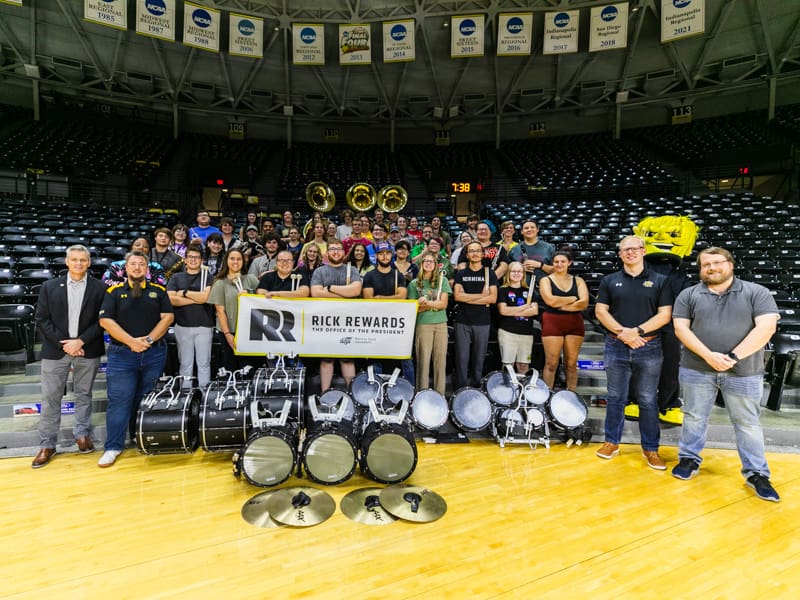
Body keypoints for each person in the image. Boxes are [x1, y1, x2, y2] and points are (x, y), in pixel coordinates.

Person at [671, 247, 781, 502]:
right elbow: (681, 329)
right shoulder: (688, 294)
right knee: (694, 417)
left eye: (717, 262)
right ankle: (689, 459)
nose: (711, 268)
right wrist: (709, 356)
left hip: (743, 371)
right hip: (697, 368)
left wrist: (732, 357)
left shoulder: (756, 292)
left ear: (730, 265)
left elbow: (766, 328)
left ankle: (757, 474)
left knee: (747, 424)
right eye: (705, 264)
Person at [594, 236, 673, 470]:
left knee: (648, 400)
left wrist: (636, 332)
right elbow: (600, 311)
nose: (630, 253)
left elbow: (665, 314)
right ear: (619, 254)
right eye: (625, 250)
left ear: (643, 251)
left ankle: (651, 448)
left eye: (635, 249)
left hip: (648, 347)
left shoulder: (660, 280)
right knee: (616, 397)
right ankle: (611, 442)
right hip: (616, 346)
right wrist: (624, 334)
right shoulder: (610, 280)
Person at [31, 245, 106, 468]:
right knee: (51, 397)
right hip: (56, 350)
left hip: (87, 348)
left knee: (84, 394)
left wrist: (80, 341)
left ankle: (82, 435)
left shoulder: (100, 288)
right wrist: (66, 345)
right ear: (67, 262)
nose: (79, 263)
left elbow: (103, 320)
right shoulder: (49, 286)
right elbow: (42, 319)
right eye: (74, 259)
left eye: (83, 260)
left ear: (89, 263)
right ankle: (47, 444)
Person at [98, 251, 174, 467]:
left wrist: (148, 340)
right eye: (133, 264)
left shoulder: (159, 291)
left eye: (142, 264)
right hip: (123, 355)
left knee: (146, 400)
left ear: (147, 268)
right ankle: (113, 447)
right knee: (120, 400)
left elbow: (168, 317)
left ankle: (140, 438)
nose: (138, 267)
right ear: (126, 268)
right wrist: (132, 342)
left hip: (154, 353)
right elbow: (105, 321)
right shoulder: (113, 292)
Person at [310, 240, 363, 392]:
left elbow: (355, 291)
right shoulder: (320, 271)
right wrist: (343, 294)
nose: (336, 252)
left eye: (339, 249)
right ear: (327, 253)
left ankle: (352, 395)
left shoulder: (351, 270)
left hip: (347, 321)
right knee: (327, 359)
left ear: (344, 252)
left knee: (347, 359)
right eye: (332, 249)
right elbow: (315, 293)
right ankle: (324, 394)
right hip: (326, 321)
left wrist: (330, 288)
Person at [362, 242, 413, 383]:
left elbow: (402, 296)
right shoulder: (370, 276)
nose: (384, 256)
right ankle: (374, 389)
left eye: (387, 253)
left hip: (396, 323)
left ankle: (409, 391)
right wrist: (390, 299)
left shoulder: (398, 275)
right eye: (381, 253)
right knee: (375, 360)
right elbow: (368, 299)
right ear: (377, 256)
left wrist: (380, 298)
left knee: (404, 358)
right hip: (376, 324)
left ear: (391, 254)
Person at [539, 249, 590, 390]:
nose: (559, 264)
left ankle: (571, 395)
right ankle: (547, 396)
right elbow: (550, 301)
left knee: (571, 363)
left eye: (563, 261)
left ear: (569, 263)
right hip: (552, 322)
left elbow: (584, 303)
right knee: (551, 363)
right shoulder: (546, 280)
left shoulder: (578, 280)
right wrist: (573, 299)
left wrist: (562, 306)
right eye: (556, 262)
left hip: (574, 323)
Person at [166, 244, 214, 390]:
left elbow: (206, 298)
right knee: (185, 363)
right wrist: (197, 298)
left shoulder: (208, 277)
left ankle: (203, 394)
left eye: (197, 257)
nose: (193, 260)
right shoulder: (176, 277)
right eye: (190, 257)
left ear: (202, 260)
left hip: (204, 325)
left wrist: (184, 293)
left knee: (204, 363)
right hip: (182, 325)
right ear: (185, 260)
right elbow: (171, 299)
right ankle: (186, 395)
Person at [453, 241, 499, 388]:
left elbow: (492, 298)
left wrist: (468, 297)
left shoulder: (489, 273)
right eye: (471, 251)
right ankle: (461, 388)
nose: (474, 253)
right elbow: (457, 297)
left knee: (479, 358)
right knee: (461, 357)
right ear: (467, 255)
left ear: (482, 253)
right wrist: (480, 296)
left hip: (482, 321)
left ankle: (476, 387)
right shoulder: (461, 273)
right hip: (462, 320)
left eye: (477, 250)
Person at [208, 248, 259, 372]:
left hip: (249, 332)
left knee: (248, 368)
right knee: (231, 366)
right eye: (232, 258)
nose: (235, 262)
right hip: (229, 331)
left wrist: (251, 296)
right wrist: (227, 334)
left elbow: (262, 302)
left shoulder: (251, 279)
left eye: (239, 259)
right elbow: (220, 311)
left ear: (243, 261)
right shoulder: (220, 283)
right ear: (226, 261)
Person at [408, 252, 451, 395]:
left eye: (431, 261)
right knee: (423, 361)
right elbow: (414, 309)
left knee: (440, 361)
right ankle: (422, 394)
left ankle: (440, 395)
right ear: (421, 264)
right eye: (425, 261)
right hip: (423, 324)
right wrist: (433, 305)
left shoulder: (441, 281)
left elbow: (444, 304)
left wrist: (427, 303)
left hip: (441, 324)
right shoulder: (414, 283)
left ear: (435, 265)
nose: (428, 263)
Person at [496, 261, 539, 376]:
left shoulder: (529, 291)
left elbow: (534, 311)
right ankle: (506, 392)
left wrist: (513, 310)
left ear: (523, 274)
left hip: (526, 333)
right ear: (508, 273)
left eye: (519, 271)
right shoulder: (502, 290)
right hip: (508, 332)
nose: (516, 274)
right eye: (513, 271)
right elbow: (503, 311)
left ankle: (523, 392)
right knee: (508, 366)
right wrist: (524, 307)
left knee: (523, 365)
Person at [102, 238, 166, 287]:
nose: (141, 248)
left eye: (145, 247)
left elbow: (162, 284)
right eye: (137, 245)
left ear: (149, 251)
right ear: (131, 247)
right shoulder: (116, 265)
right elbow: (106, 282)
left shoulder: (156, 267)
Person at [518, 220, 555, 287]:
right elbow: (508, 272)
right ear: (522, 231)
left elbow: (557, 270)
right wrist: (520, 269)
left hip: (544, 288)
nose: (529, 230)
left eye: (532, 227)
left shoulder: (549, 248)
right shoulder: (514, 250)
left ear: (537, 229)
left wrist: (540, 265)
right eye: (526, 228)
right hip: (520, 289)